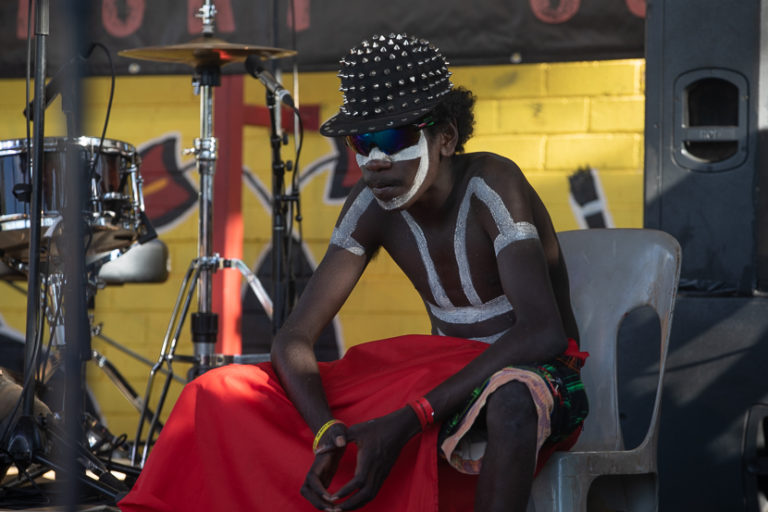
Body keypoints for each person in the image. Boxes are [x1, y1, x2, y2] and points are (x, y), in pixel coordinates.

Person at [119, 33, 588, 512]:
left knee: (511, 401)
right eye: (361, 142)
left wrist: (413, 416)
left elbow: (543, 331)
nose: (374, 162)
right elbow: (293, 339)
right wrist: (325, 431)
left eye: (393, 139)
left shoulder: (493, 182)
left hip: (539, 376)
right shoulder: (371, 205)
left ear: (446, 137)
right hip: (440, 375)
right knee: (220, 391)